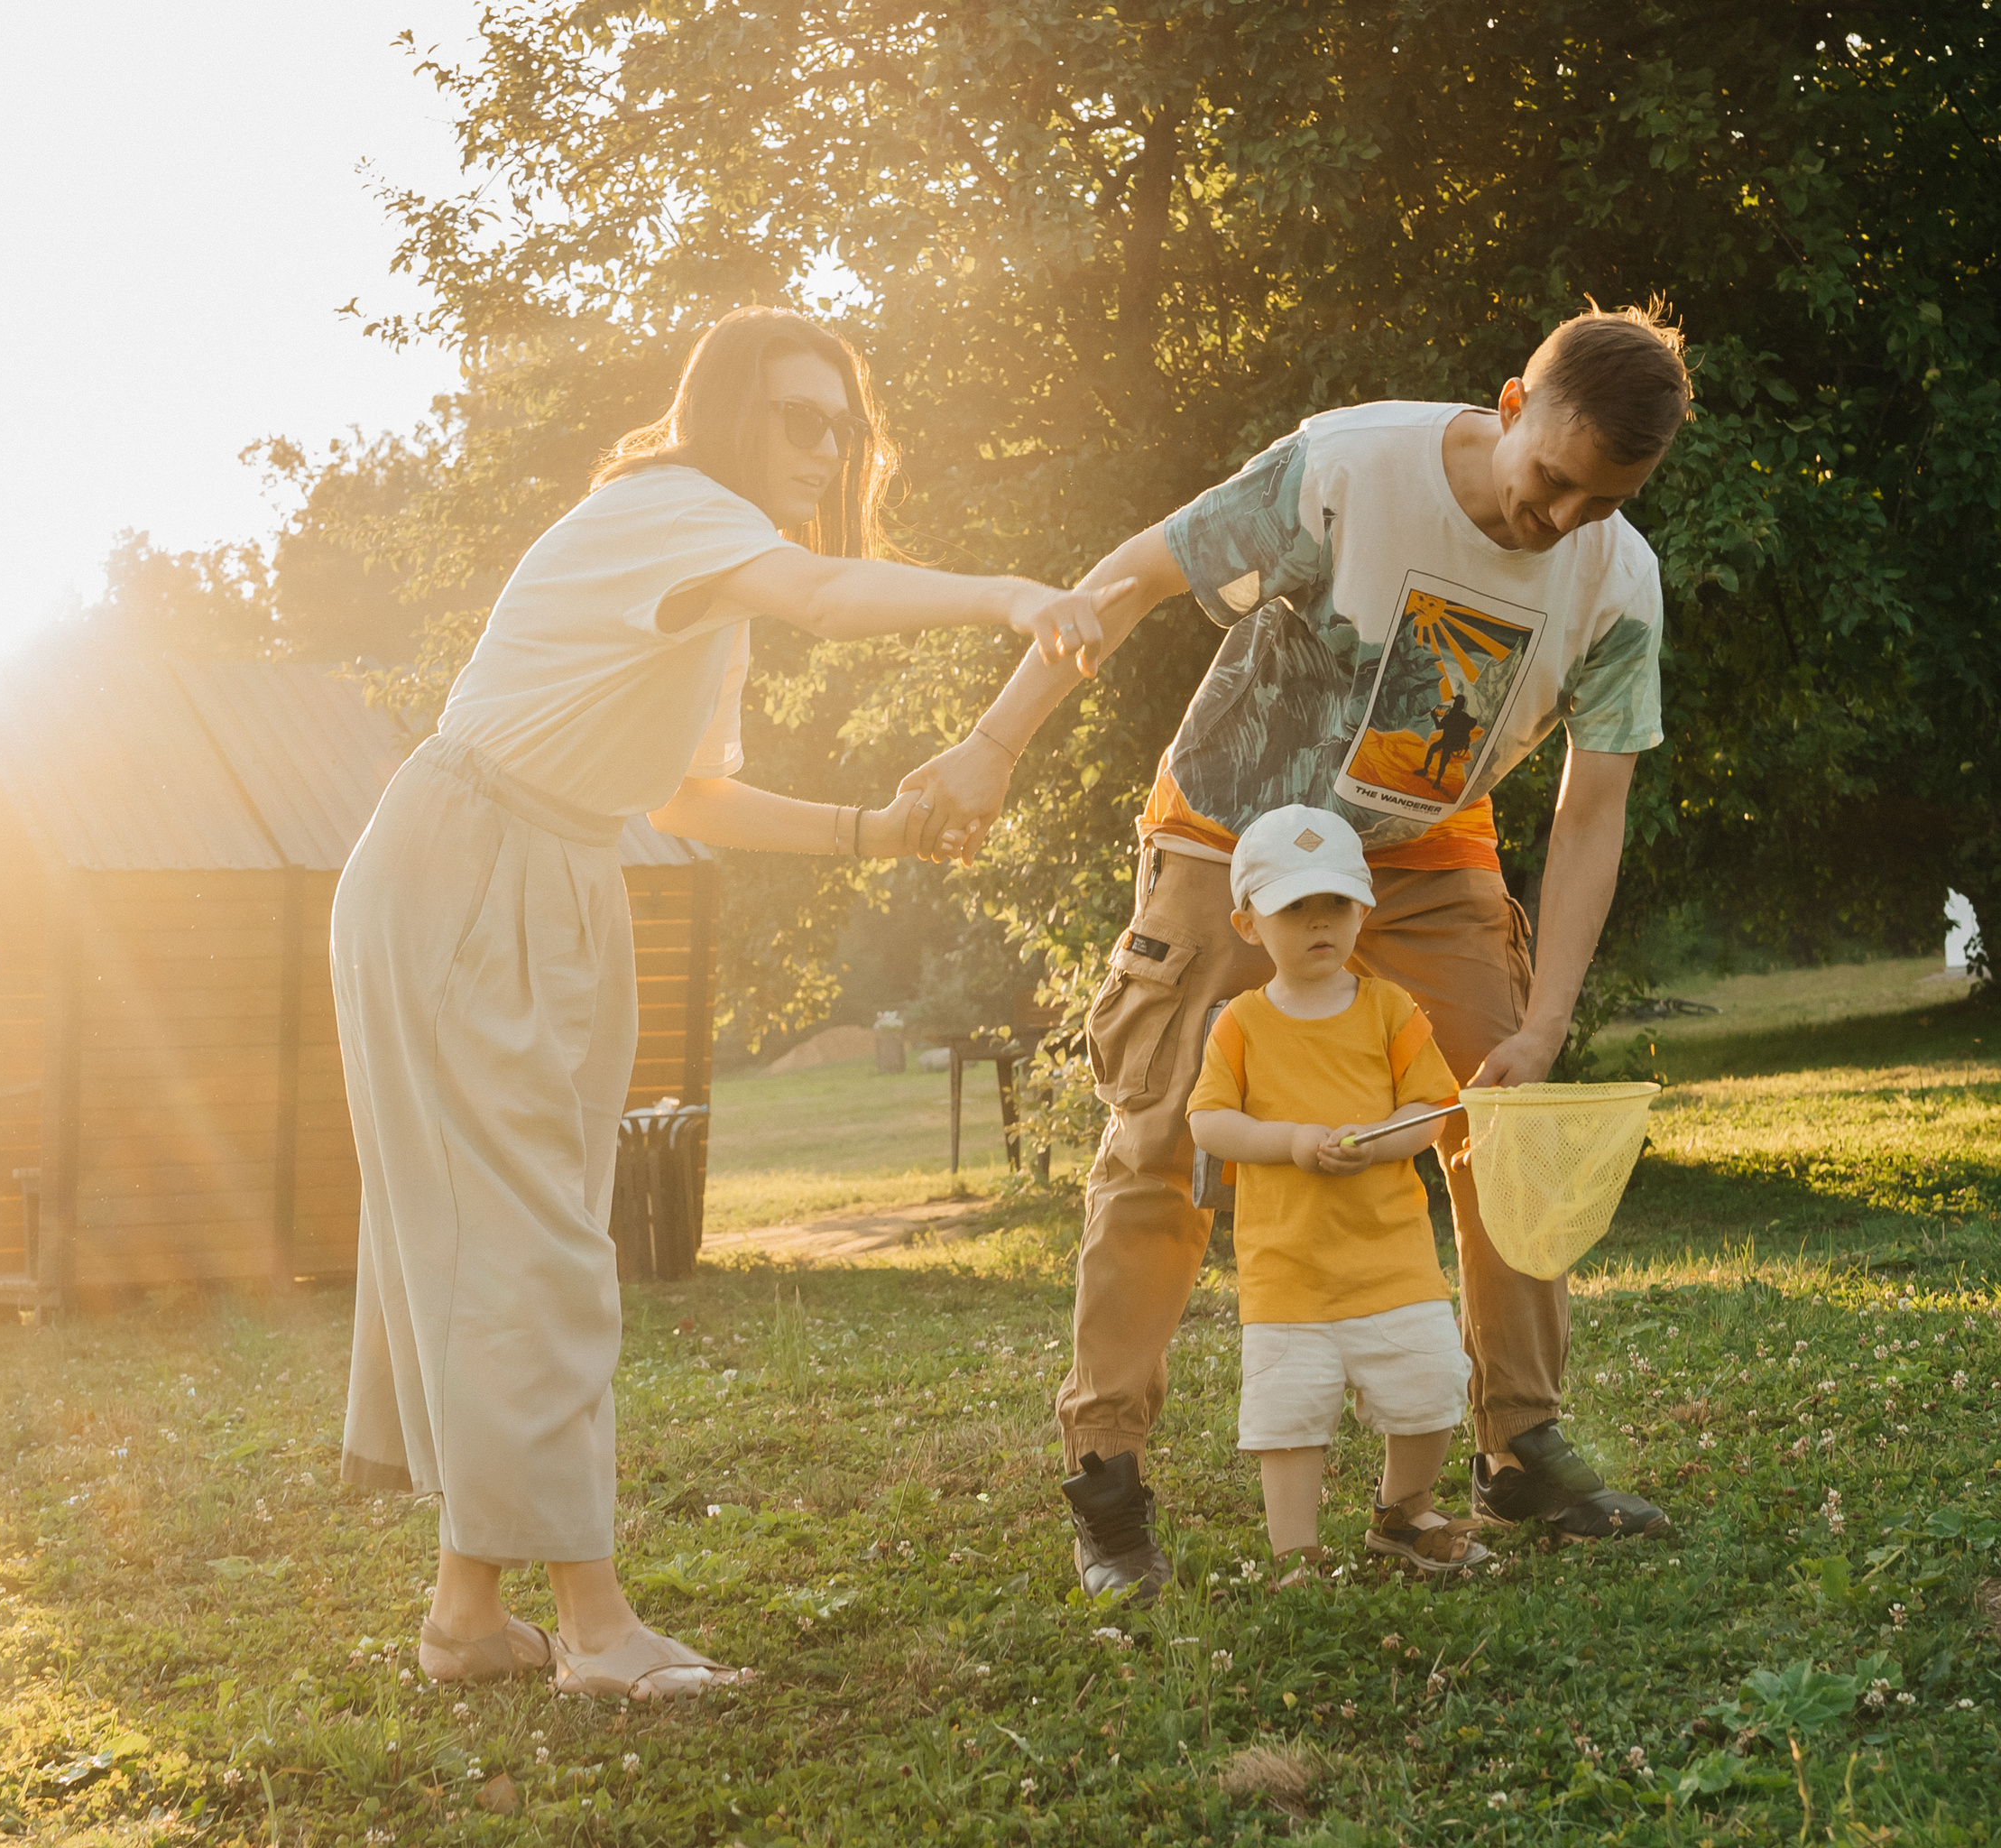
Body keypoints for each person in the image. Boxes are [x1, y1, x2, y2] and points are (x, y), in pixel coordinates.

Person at [332, 307, 1134, 1699]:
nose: (827, 449)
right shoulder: (668, 508)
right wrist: (1015, 596)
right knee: (534, 1251)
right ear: (724, 417)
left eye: (844, 425)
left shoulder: (715, 581)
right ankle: (593, 1631)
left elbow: (680, 794)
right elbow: (830, 595)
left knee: (529, 1233)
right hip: (467, 861)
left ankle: (469, 1619)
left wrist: (869, 835)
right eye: (798, 418)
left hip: (567, 868)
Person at [903, 301, 1690, 1600]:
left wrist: (1544, 1021)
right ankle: (1107, 1476)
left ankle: (1520, 1446)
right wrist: (994, 743)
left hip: (1427, 849)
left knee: (1505, 1112)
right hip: (1236, 826)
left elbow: (1592, 808)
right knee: (1162, 1139)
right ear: (1509, 406)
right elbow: (1132, 578)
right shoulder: (1348, 471)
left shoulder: (1618, 586)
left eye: (1599, 503)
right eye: (1549, 481)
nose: (1557, 522)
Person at [1182, 806, 1488, 1586]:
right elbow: (1210, 1121)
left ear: (1364, 908)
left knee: (1430, 1387)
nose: (1319, 923)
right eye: (1294, 908)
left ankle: (1403, 1511)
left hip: (1391, 1259)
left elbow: (1430, 1106)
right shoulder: (1242, 1025)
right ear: (1249, 924)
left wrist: (1386, 1138)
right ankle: (1297, 1552)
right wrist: (1287, 1142)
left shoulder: (1390, 1008)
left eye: (1336, 904)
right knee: (1289, 1420)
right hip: (1289, 1272)